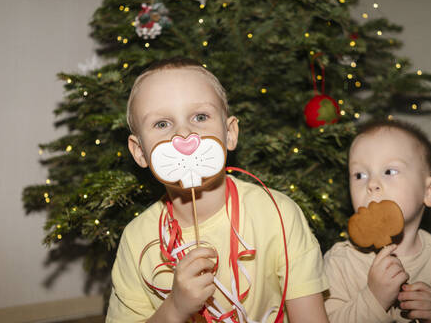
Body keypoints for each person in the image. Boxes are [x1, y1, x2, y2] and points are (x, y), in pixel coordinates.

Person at [106, 57, 330, 323]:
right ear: (140, 152)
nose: (185, 135)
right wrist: (175, 308)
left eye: (200, 117)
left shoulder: (278, 215)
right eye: (162, 124)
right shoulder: (136, 240)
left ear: (230, 133)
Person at [323, 119, 431, 322]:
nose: (372, 184)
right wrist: (373, 300)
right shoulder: (341, 262)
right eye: (360, 175)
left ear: (429, 191)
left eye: (390, 171)